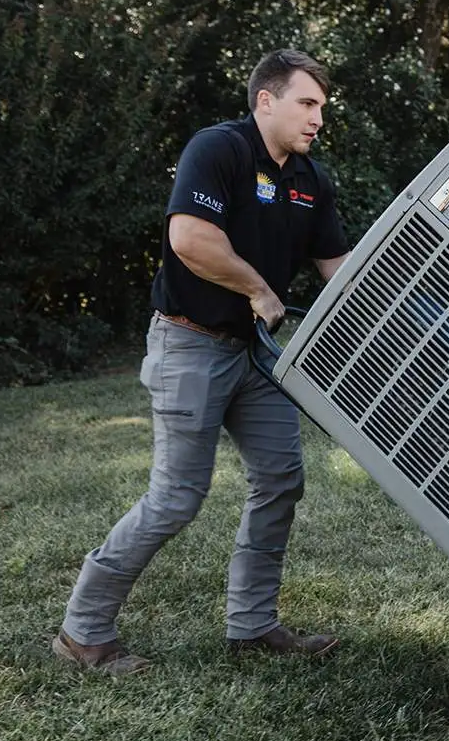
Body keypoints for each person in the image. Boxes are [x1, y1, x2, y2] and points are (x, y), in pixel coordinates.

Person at [53, 49, 351, 674]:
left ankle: (252, 625)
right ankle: (83, 631)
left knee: (280, 480)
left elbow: (337, 268)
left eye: (321, 106)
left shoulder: (309, 179)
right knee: (176, 497)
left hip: (257, 356)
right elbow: (190, 240)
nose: (317, 117)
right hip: (190, 343)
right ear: (265, 101)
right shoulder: (218, 150)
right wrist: (259, 290)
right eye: (307, 103)